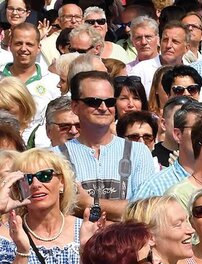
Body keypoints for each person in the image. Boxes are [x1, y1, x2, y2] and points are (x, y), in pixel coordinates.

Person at [56, 70, 157, 221]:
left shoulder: (138, 151)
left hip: (126, 243)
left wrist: (90, 203)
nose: (103, 107)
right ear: (75, 106)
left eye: (109, 102)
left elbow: (144, 211)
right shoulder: (55, 156)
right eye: (94, 101)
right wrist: (119, 209)